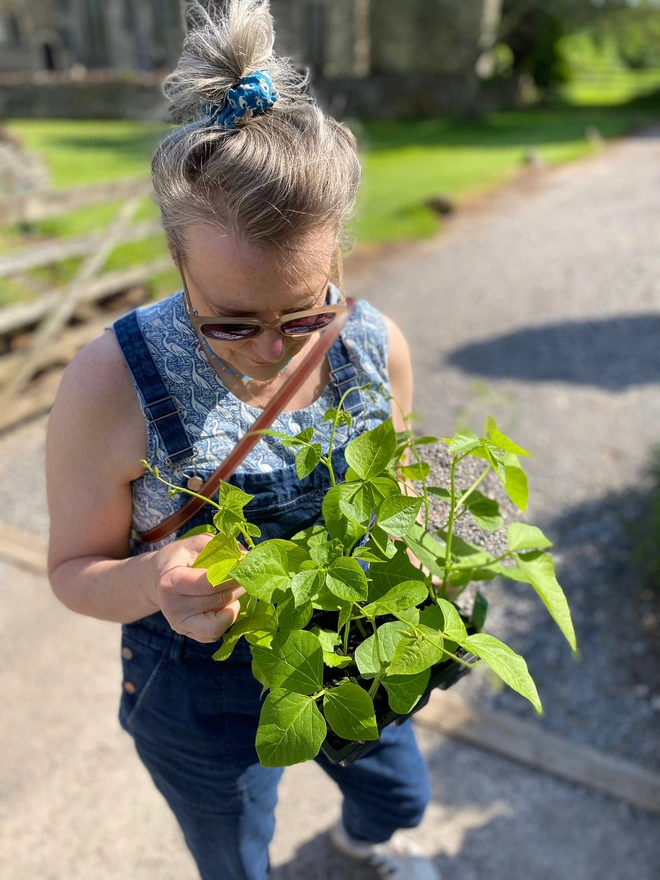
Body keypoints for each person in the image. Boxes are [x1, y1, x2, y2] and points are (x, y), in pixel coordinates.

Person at [45, 2, 439, 879]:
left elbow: (401, 479)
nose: (273, 349)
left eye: (306, 312)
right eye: (229, 322)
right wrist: (155, 578)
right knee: (234, 855)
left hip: (350, 649)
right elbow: (72, 573)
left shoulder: (374, 346)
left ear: (337, 256)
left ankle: (362, 845)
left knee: (401, 797)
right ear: (178, 263)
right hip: (199, 693)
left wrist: (439, 541)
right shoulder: (110, 383)